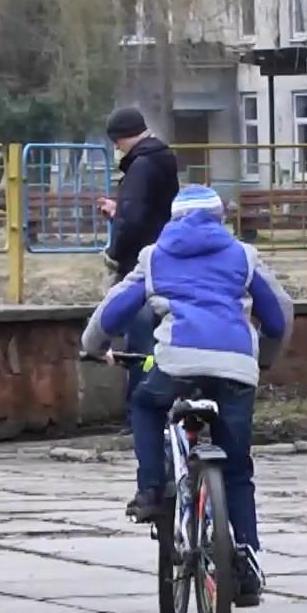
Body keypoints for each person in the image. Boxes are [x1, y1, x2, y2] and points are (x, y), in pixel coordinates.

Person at [82, 186, 293, 606]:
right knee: (237, 469)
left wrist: (92, 346)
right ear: (220, 218)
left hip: (177, 363)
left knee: (145, 402)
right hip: (235, 368)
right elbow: (279, 314)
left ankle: (149, 488)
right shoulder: (242, 255)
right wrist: (264, 359)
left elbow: (113, 311)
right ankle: (247, 557)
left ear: (173, 219)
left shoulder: (155, 256)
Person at [96, 107, 181, 400]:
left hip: (141, 266)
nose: (116, 149)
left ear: (123, 138)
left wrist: (114, 254)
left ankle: (142, 410)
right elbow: (151, 212)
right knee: (158, 341)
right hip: (165, 260)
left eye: (116, 142)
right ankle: (160, 404)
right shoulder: (162, 158)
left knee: (141, 343)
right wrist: (119, 211)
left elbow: (133, 221)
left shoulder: (141, 166)